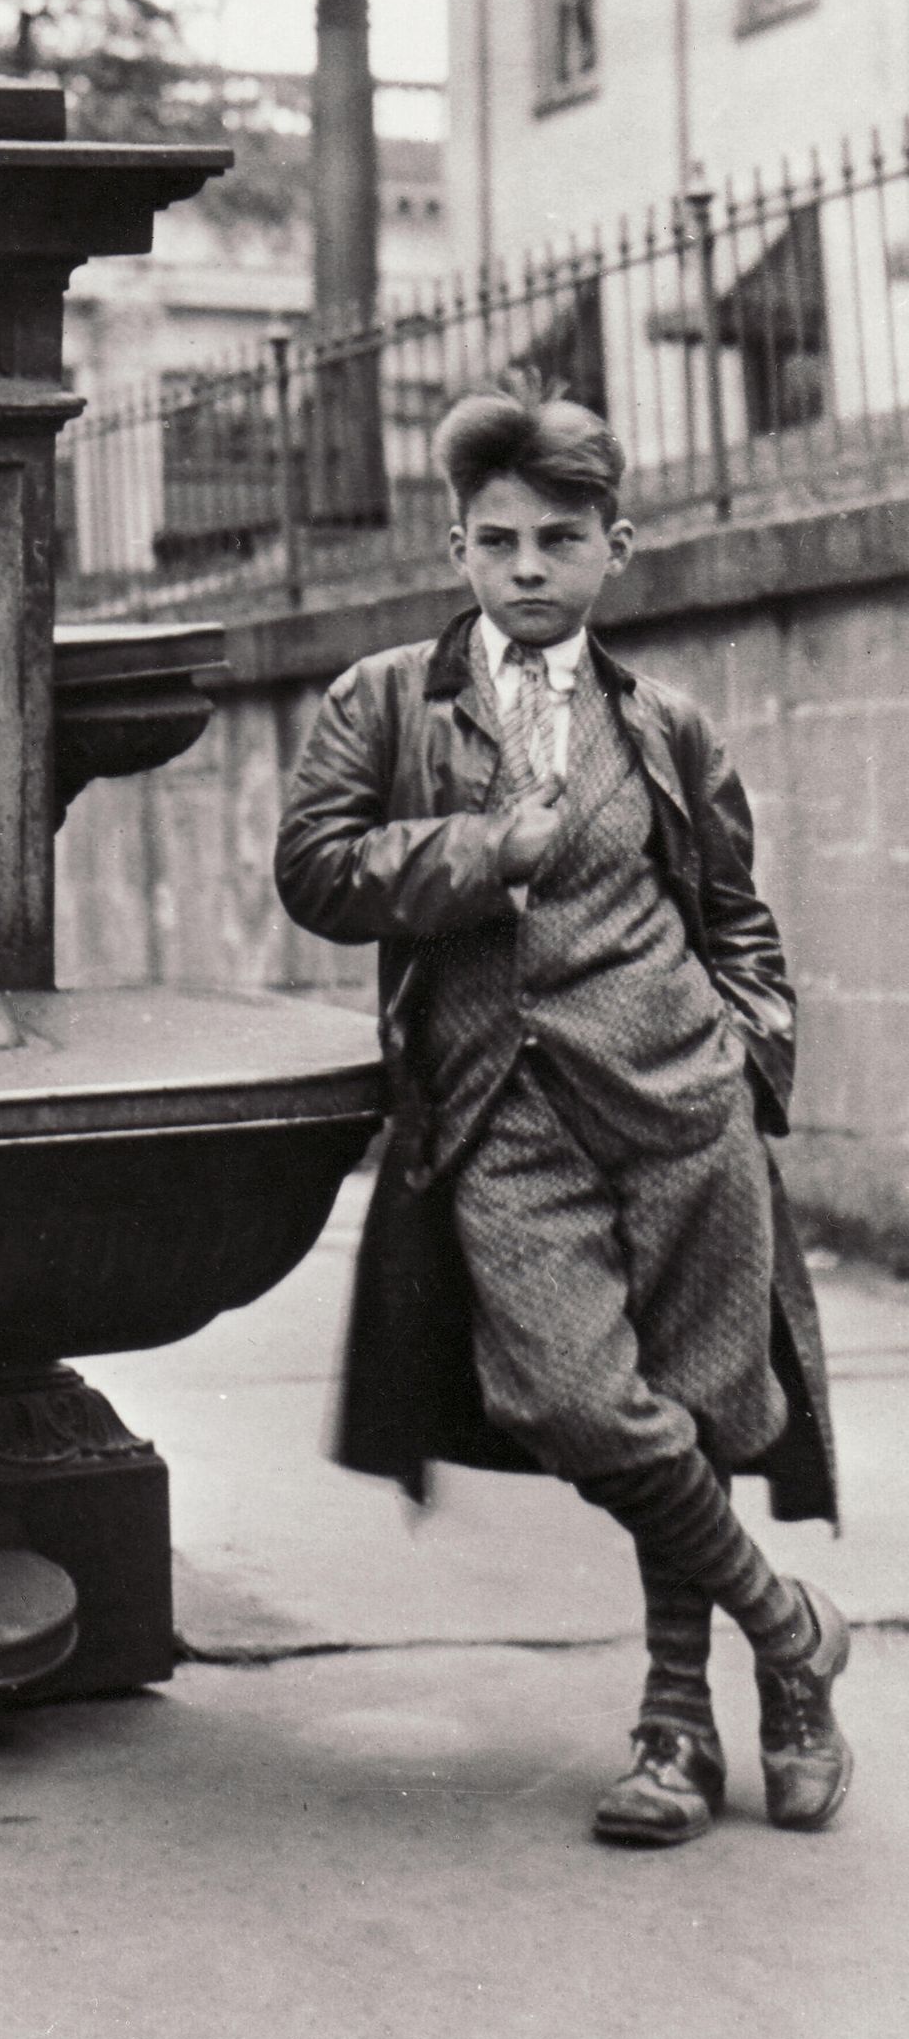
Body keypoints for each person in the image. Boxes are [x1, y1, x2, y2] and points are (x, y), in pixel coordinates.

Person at [272, 385, 845, 1848]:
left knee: (703, 1405)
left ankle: (684, 1725)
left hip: (679, 1105)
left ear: (616, 548)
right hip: (501, 1113)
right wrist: (480, 850)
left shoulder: (666, 725)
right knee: (572, 1399)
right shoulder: (384, 701)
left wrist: (745, 1059)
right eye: (498, 540)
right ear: (457, 549)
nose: (528, 566)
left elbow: (738, 919)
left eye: (561, 539)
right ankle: (789, 1630)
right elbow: (314, 870)